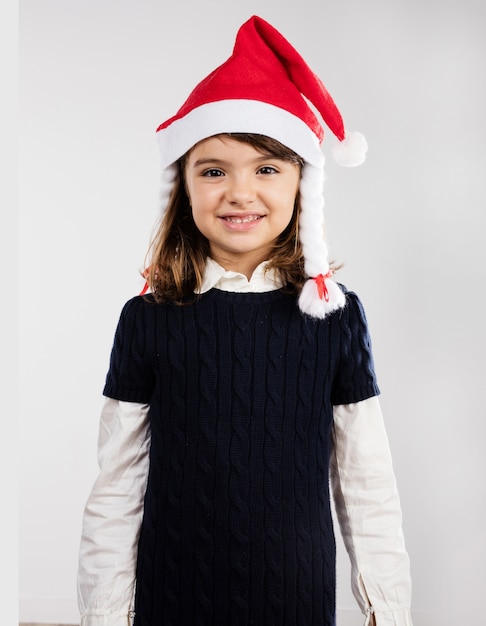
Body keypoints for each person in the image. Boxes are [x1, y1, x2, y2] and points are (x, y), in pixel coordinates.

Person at [77, 15, 412, 626]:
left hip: (296, 599)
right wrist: (104, 612)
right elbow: (118, 484)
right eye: (213, 170)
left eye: (266, 168)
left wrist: (386, 607)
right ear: (183, 185)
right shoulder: (147, 319)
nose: (239, 192)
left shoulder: (334, 317)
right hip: (172, 598)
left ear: (301, 186)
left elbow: (366, 479)